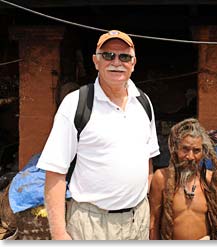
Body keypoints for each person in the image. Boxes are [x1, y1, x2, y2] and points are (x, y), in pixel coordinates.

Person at [36, 30, 160, 240]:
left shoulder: (143, 102)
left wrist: (140, 200)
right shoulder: (77, 103)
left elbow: (147, 158)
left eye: (124, 56)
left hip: (137, 220)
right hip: (92, 225)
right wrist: (59, 234)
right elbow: (55, 173)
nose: (116, 62)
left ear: (133, 63)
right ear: (96, 61)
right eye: (108, 55)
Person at [149, 118, 217, 240]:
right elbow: (153, 222)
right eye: (185, 149)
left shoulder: (209, 180)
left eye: (196, 151)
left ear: (203, 152)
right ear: (175, 149)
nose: (190, 157)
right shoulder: (162, 178)